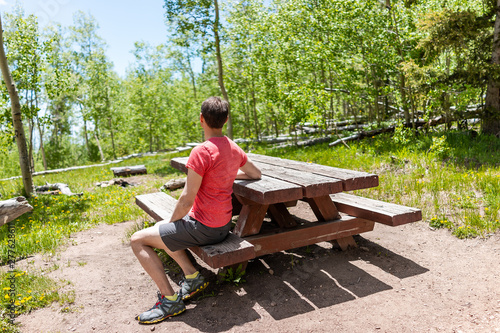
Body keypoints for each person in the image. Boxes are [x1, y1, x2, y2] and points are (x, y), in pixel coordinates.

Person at [131, 96, 261, 325]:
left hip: (205, 228)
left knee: (138, 240)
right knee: (164, 231)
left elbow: (186, 198)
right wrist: (228, 174)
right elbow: (255, 174)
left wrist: (171, 223)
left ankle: (170, 301)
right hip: (223, 225)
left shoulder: (201, 152)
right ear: (226, 120)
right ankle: (192, 277)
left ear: (201, 119)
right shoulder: (233, 147)